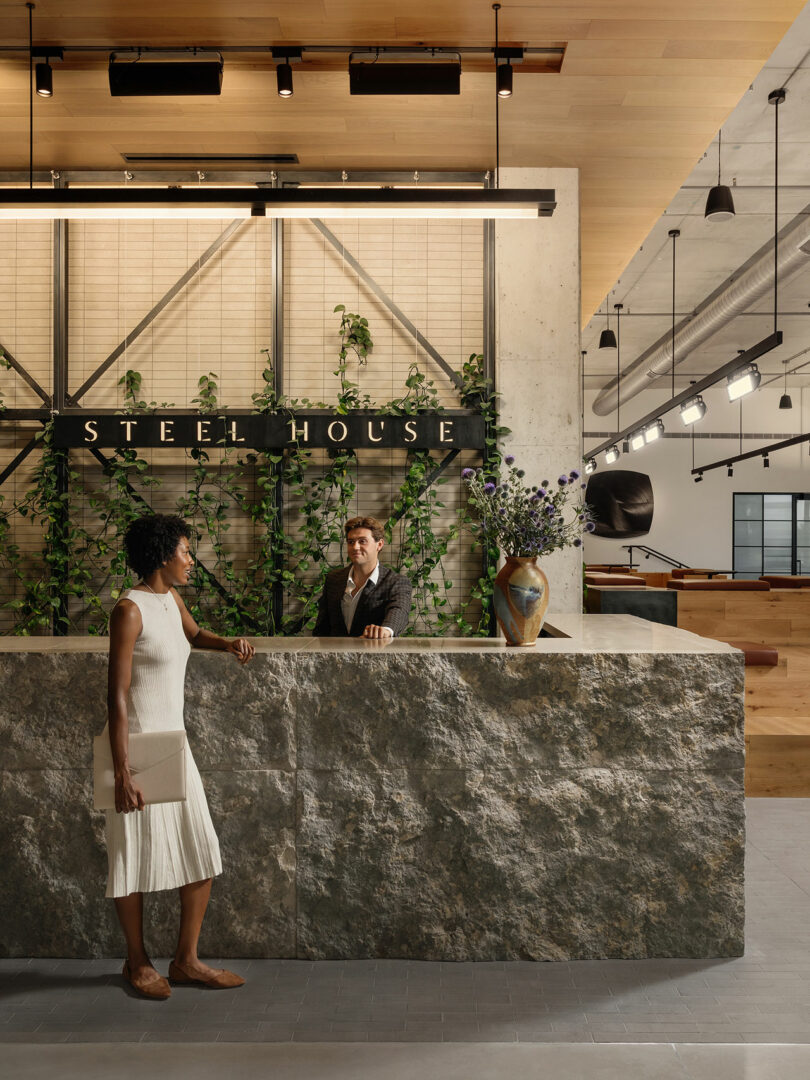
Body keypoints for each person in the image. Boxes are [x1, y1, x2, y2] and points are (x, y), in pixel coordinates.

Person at [105, 513, 255, 1000]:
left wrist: (227, 643)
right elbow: (118, 697)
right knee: (132, 857)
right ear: (164, 555)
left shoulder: (170, 598)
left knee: (200, 851)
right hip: (137, 751)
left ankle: (186, 961)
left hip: (175, 744)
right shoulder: (130, 610)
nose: (192, 560)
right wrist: (123, 772)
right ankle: (137, 961)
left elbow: (192, 636)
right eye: (186, 551)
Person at [313, 515, 412, 638]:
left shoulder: (396, 582)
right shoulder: (333, 579)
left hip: (373, 654)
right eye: (351, 542)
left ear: (379, 545)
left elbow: (399, 612)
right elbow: (322, 628)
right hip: (334, 654)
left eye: (362, 541)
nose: (355, 547)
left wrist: (386, 630)